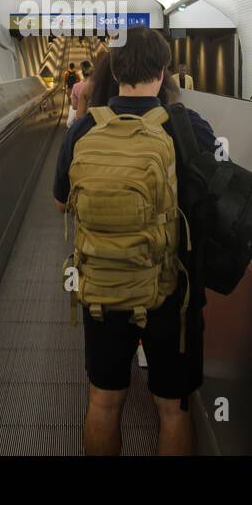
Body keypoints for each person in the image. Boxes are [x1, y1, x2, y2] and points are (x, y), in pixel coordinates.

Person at [54, 28, 218, 456]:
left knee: (104, 402)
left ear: (116, 68)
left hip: (101, 288)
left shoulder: (85, 128)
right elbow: (217, 197)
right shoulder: (189, 127)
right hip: (170, 291)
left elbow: (60, 203)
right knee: (171, 409)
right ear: (163, 73)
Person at [70, 59, 94, 123]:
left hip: (82, 120)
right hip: (96, 118)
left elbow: (74, 106)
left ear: (82, 73)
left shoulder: (76, 86)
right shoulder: (98, 85)